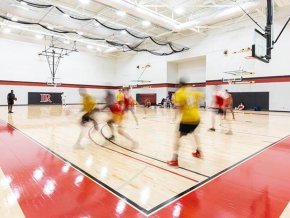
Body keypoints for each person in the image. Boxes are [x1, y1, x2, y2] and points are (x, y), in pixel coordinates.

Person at [167, 78, 204, 167]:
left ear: (179, 85)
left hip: (187, 120)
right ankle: (199, 152)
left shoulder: (179, 93)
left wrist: (176, 118)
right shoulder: (193, 91)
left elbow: (178, 107)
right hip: (197, 118)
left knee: (176, 137)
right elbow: (201, 97)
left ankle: (174, 160)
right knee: (195, 134)